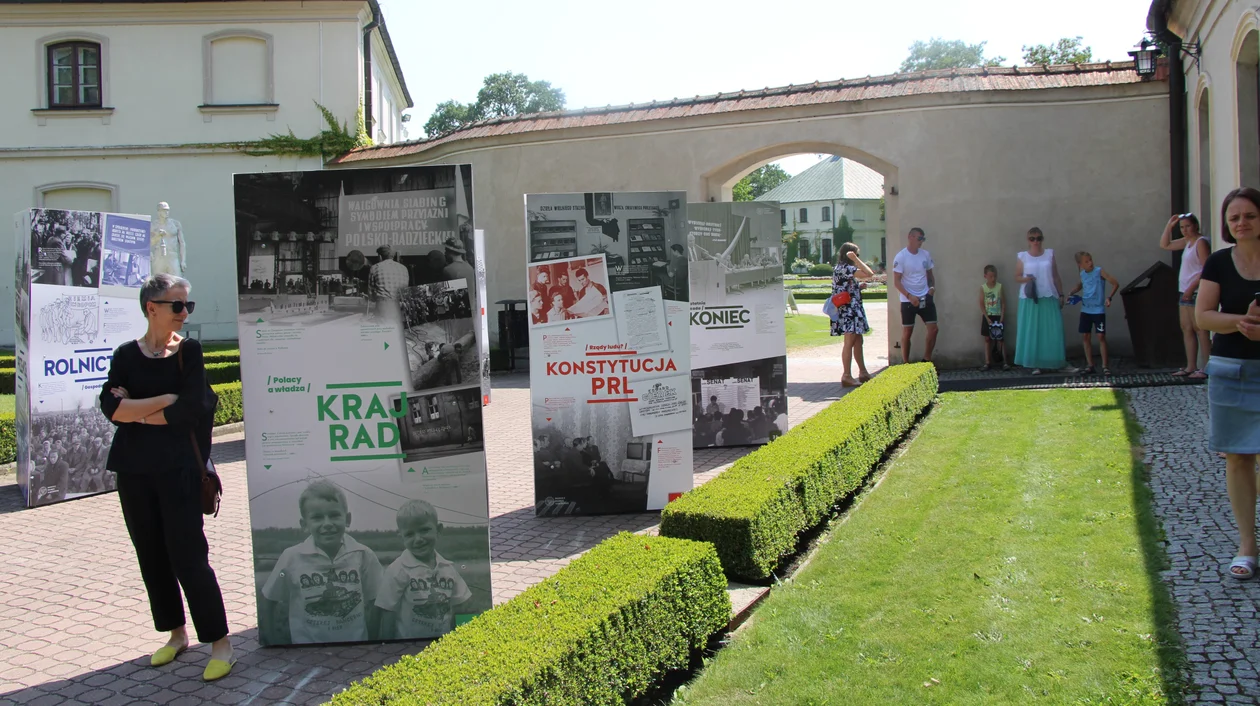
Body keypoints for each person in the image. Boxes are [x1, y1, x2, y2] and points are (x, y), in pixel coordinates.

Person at [97, 274, 233, 681]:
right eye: (177, 305)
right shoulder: (125, 355)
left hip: (179, 469)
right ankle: (176, 634)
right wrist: (162, 403)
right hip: (134, 470)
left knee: (189, 555)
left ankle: (221, 644)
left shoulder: (189, 352)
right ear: (151, 307)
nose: (184, 313)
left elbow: (190, 409)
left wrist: (136, 411)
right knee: (152, 555)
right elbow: (111, 408)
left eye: (187, 305)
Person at [1195, 187, 1260, 580]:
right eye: (1234, 217)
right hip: (1231, 371)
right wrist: (1241, 322)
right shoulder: (1219, 262)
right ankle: (1247, 546)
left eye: (1249, 215)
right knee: (1238, 458)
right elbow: (1203, 316)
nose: (1241, 223)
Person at [261, 480, 384, 644]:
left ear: (347, 519)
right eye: (317, 517)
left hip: (355, 646)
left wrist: (372, 640)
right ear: (304, 524)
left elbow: (377, 601)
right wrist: (271, 641)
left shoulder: (363, 555)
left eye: (334, 515)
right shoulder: (291, 557)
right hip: (307, 648)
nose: (327, 524)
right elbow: (269, 599)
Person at [376, 500, 472, 639]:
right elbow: (388, 613)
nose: (418, 539)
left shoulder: (448, 568)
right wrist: (387, 647)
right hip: (409, 643)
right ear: (401, 537)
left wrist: (466, 640)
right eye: (409, 534)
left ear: (438, 530)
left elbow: (462, 606)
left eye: (424, 530)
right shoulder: (397, 570)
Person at [1161, 213, 1213, 379]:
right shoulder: (1187, 242)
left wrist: (1191, 288)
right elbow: (1165, 244)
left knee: (1201, 329)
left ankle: (1206, 367)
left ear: (1195, 225)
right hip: (1184, 291)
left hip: (1195, 292)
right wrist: (1169, 226)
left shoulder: (1200, 242)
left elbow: (1206, 268)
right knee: (1186, 328)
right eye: (1182, 227)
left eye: (1187, 226)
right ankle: (1191, 366)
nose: (1185, 230)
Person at [1013, 228, 1070, 375]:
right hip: (1030, 298)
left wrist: (1061, 294)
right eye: (1032, 239)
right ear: (1028, 240)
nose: (1036, 241)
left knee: (1053, 329)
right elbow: (1017, 276)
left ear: (1042, 239)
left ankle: (1056, 361)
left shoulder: (1049, 254)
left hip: (1049, 295)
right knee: (1033, 331)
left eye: (1038, 238)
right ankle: (1035, 363)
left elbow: (1055, 276)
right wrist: (1027, 279)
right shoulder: (1023, 256)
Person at [830, 243, 875, 386]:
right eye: (857, 254)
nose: (858, 257)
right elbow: (869, 274)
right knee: (849, 342)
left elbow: (844, 286)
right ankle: (846, 375)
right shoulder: (846, 268)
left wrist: (857, 287)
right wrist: (856, 259)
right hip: (849, 311)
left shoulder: (841, 268)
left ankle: (863, 372)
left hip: (851, 309)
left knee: (858, 340)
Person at [1068, 251, 1121, 375]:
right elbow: (1081, 285)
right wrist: (1072, 293)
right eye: (1086, 261)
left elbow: (1115, 283)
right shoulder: (1082, 274)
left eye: (1090, 260)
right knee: (1085, 336)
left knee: (1101, 336)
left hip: (1098, 310)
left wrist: (1109, 297)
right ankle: (1090, 365)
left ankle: (1105, 366)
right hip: (1086, 309)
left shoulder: (1099, 271)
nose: (1090, 263)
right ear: (1080, 264)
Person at [892, 228, 937, 363]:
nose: (921, 241)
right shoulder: (901, 257)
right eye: (919, 238)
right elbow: (896, 282)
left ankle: (926, 360)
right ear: (910, 237)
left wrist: (931, 288)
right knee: (907, 332)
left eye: (923, 239)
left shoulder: (925, 255)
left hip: (925, 297)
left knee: (934, 329)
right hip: (908, 300)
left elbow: (930, 275)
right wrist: (909, 296)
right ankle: (906, 363)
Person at [979, 265, 1009, 371]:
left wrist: (1002, 316)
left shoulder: (999, 287)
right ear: (985, 276)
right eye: (991, 276)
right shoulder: (983, 288)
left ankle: (1004, 362)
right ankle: (987, 362)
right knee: (987, 339)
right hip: (988, 316)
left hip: (998, 315)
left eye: (995, 276)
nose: (993, 279)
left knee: (1000, 339)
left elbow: (1003, 303)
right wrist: (987, 318)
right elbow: (981, 304)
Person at [369, 245, 409, 313]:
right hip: (401, 307)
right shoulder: (404, 268)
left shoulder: (375, 268)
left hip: (383, 307)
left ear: (380, 256)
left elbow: (371, 295)